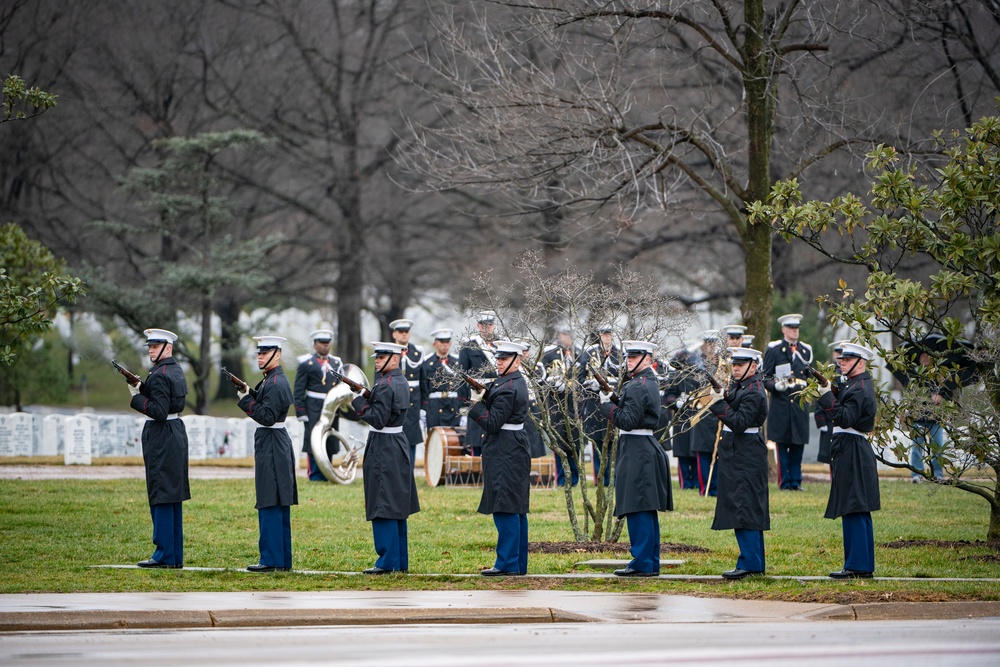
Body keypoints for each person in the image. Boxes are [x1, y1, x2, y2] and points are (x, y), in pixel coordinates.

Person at [599, 340, 672, 577]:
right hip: (640, 446)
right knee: (645, 507)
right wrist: (612, 397)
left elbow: (628, 420)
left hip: (637, 448)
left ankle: (642, 562)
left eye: (634, 357)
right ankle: (649, 561)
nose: (629, 361)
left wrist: (604, 406)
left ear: (647, 359)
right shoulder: (644, 381)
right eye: (628, 357)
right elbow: (634, 409)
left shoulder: (639, 385)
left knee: (638, 505)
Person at [347, 341, 420, 574]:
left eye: (382, 357)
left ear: (395, 358)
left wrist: (358, 399)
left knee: (383, 502)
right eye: (377, 357)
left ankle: (386, 561)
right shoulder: (399, 381)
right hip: (397, 442)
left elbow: (377, 418)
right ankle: (399, 561)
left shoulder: (386, 384)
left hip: (383, 445)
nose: (377, 361)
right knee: (396, 503)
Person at [816, 341, 880, 579]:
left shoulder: (860, 388)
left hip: (852, 448)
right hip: (851, 447)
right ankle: (859, 564)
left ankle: (857, 566)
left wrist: (825, 396)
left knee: (854, 506)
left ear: (860, 363)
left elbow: (844, 417)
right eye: (841, 359)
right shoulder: (855, 384)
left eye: (847, 359)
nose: (841, 362)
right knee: (855, 507)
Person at [468, 340, 532, 576]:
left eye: (504, 359)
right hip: (513, 447)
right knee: (515, 508)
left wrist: (475, 406)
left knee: (505, 505)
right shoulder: (513, 382)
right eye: (498, 358)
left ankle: (506, 563)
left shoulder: (507, 386)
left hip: (505, 449)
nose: (499, 362)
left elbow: (492, 423)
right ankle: (517, 563)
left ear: (516, 361)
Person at [128, 328, 190, 569]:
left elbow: (158, 411)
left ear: (168, 347)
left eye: (156, 346)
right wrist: (143, 386)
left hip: (162, 436)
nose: (151, 350)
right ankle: (173, 555)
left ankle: (163, 554)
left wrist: (136, 397)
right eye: (150, 346)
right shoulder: (173, 370)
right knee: (171, 495)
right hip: (174, 434)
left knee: (161, 492)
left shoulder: (160, 374)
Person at [707, 347, 770, 579]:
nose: (735, 368)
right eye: (734, 365)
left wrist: (718, 404)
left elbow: (739, 422)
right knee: (744, 506)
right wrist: (723, 396)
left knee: (745, 507)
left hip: (746, 453)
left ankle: (750, 564)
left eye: (740, 365)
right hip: (741, 452)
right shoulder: (745, 386)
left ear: (753, 367)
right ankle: (753, 562)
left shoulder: (754, 390)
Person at [239, 335, 297, 573]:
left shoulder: (274, 382)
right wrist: (250, 393)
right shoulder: (272, 379)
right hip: (275, 441)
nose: (260, 356)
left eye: (265, 352)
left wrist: (245, 401)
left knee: (269, 500)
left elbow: (266, 416)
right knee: (277, 500)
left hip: (271, 441)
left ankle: (271, 559)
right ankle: (280, 559)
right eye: (259, 353)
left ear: (278, 354)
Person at [762, 313, 814, 491]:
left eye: (797, 328)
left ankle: (796, 481)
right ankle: (785, 482)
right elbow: (764, 377)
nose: (795, 331)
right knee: (782, 445)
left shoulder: (805, 351)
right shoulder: (774, 350)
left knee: (798, 444)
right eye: (791, 328)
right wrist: (775, 386)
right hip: (781, 403)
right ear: (784, 329)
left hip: (799, 403)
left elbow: (810, 378)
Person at [293, 327, 345, 482]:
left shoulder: (336, 362)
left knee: (329, 439)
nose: (325, 345)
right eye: (322, 343)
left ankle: (328, 472)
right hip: (313, 407)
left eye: (327, 342)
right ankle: (315, 474)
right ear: (314, 344)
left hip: (331, 407)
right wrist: (301, 412)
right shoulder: (306, 363)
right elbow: (298, 389)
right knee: (313, 441)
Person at [542, 325, 584, 486]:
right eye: (563, 335)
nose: (565, 338)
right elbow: (543, 377)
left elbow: (585, 375)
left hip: (576, 406)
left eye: (568, 335)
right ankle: (561, 480)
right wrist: (553, 384)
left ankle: (574, 479)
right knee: (559, 445)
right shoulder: (550, 354)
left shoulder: (580, 354)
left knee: (574, 445)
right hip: (557, 406)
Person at [905, 341, 952, 482]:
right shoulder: (913, 376)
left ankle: (938, 473)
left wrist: (941, 397)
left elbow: (949, 392)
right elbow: (909, 393)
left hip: (935, 418)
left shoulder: (940, 376)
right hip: (918, 417)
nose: (925, 359)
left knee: (937, 447)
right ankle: (917, 474)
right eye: (922, 356)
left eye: (927, 356)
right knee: (916, 448)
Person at [580, 324, 622, 485]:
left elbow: (624, 376)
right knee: (597, 443)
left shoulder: (619, 353)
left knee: (614, 444)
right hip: (595, 405)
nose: (606, 337)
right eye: (603, 334)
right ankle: (600, 479)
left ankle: (614, 479)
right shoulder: (590, 353)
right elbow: (581, 379)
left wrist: (613, 384)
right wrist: (592, 384)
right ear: (599, 335)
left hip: (613, 402)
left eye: (608, 334)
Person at [458, 311, 499, 455]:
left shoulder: (501, 344)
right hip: (477, 394)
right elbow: (462, 376)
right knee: (477, 435)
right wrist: (465, 404)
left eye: (489, 324)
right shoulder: (469, 346)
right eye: (483, 324)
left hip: (498, 392)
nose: (486, 328)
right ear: (478, 325)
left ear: (493, 326)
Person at [662, 349, 700, 491]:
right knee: (682, 453)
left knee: (695, 452)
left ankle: (697, 482)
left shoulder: (697, 376)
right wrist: (677, 402)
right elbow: (668, 396)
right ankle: (686, 483)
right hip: (680, 418)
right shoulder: (674, 376)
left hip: (696, 416)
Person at [690, 330, 722, 496]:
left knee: (717, 453)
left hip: (717, 413)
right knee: (703, 454)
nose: (710, 347)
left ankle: (716, 487)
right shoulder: (696, 364)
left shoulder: (720, 364)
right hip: (702, 413)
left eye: (713, 343)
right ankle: (705, 488)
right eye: (708, 343)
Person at [390, 319, 424, 468]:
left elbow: (423, 382)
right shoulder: (388, 352)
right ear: (394, 334)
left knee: (411, 437)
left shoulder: (418, 352)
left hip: (413, 403)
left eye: (406, 332)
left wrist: (423, 407)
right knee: (393, 438)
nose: (404, 335)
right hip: (394, 401)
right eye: (401, 332)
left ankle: (409, 470)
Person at [419, 328, 462, 430]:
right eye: (442, 342)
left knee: (454, 439)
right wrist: (424, 409)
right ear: (435, 343)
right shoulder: (427, 363)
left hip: (453, 404)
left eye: (447, 342)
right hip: (435, 405)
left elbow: (462, 388)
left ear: (450, 344)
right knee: (435, 438)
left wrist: (463, 409)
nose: (445, 344)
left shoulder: (457, 362)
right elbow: (424, 388)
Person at [815, 340, 847, 467]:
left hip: (844, 416)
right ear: (834, 354)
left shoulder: (849, 373)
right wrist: (820, 419)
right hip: (830, 418)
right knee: (831, 455)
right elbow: (819, 395)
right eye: (838, 353)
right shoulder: (828, 372)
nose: (840, 357)